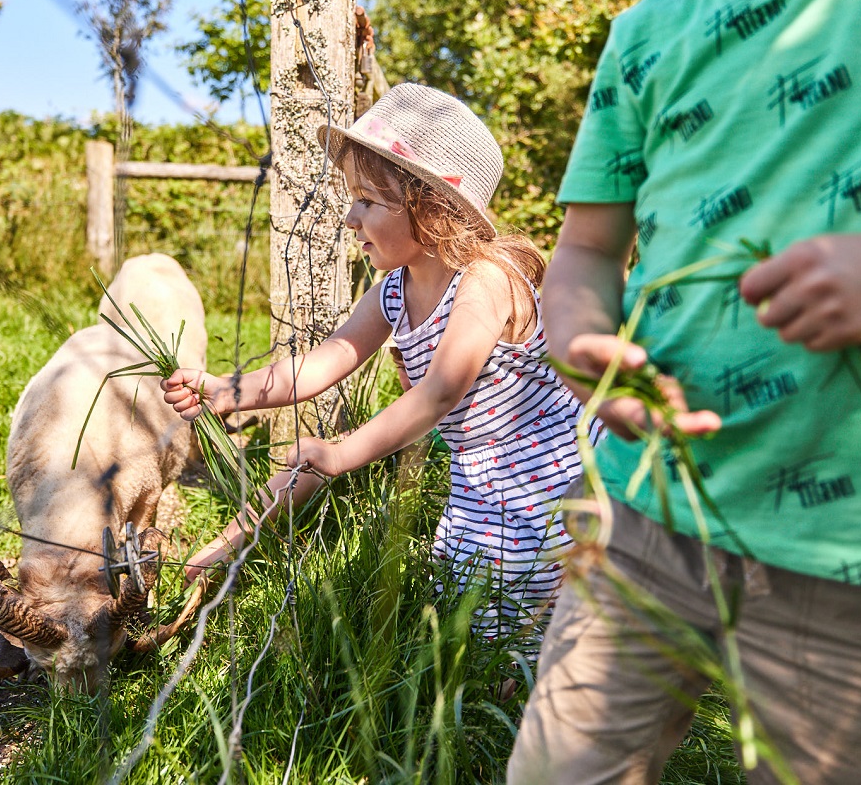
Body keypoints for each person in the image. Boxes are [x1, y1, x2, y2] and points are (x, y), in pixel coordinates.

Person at [508, 0, 861, 783]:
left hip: (858, 542)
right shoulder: (648, 30)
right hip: (643, 510)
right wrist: (584, 344)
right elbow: (585, 250)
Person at [162, 83, 598, 643]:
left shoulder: (485, 282)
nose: (350, 218)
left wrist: (340, 455)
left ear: (433, 206)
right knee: (463, 623)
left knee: (526, 622)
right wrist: (229, 389)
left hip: (552, 473)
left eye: (367, 200)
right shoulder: (393, 291)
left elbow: (441, 390)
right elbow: (325, 361)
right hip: (479, 481)